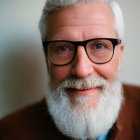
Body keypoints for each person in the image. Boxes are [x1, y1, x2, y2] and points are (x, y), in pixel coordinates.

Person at [0, 0, 140, 140]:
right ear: (46, 57)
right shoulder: (9, 133)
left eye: (98, 46)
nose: (81, 70)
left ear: (119, 56)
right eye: (63, 48)